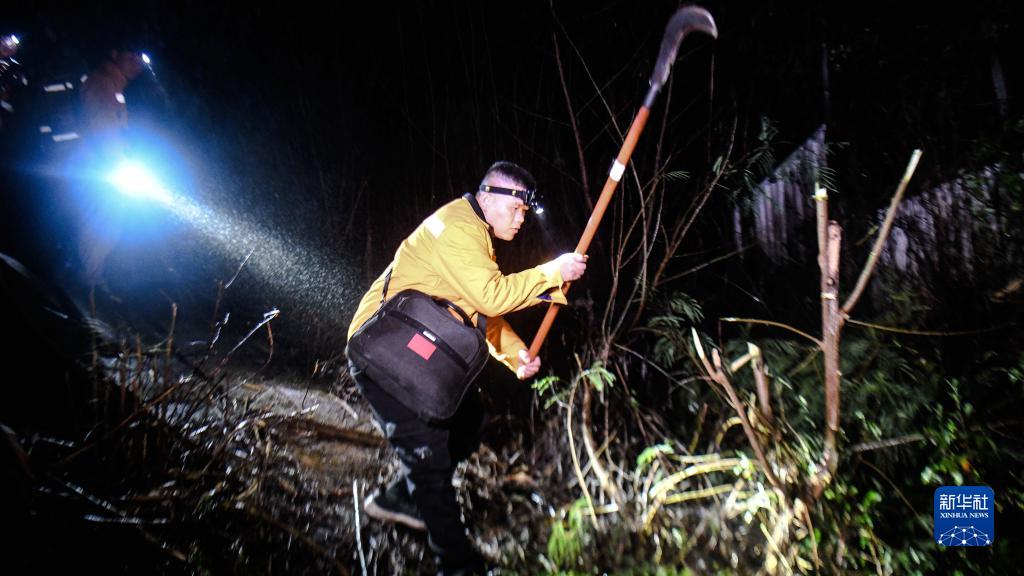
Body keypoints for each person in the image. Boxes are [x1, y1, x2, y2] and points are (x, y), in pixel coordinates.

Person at [347, 161, 587, 575]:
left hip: (408, 351)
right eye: (516, 209)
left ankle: (398, 500)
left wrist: (516, 354)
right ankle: (458, 566)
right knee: (430, 462)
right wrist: (553, 271)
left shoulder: (476, 238)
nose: (521, 218)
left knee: (470, 420)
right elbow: (492, 297)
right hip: (381, 349)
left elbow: (482, 314)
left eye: (525, 213)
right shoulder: (457, 227)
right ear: (491, 196)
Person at [74, 48, 146, 289]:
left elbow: (114, 130)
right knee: (102, 223)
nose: (137, 64)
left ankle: (90, 281)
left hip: (102, 167)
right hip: (97, 168)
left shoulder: (114, 87)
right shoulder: (103, 84)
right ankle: (87, 286)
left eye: (141, 60)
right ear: (115, 54)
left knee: (107, 224)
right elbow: (102, 130)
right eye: (132, 56)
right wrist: (118, 163)